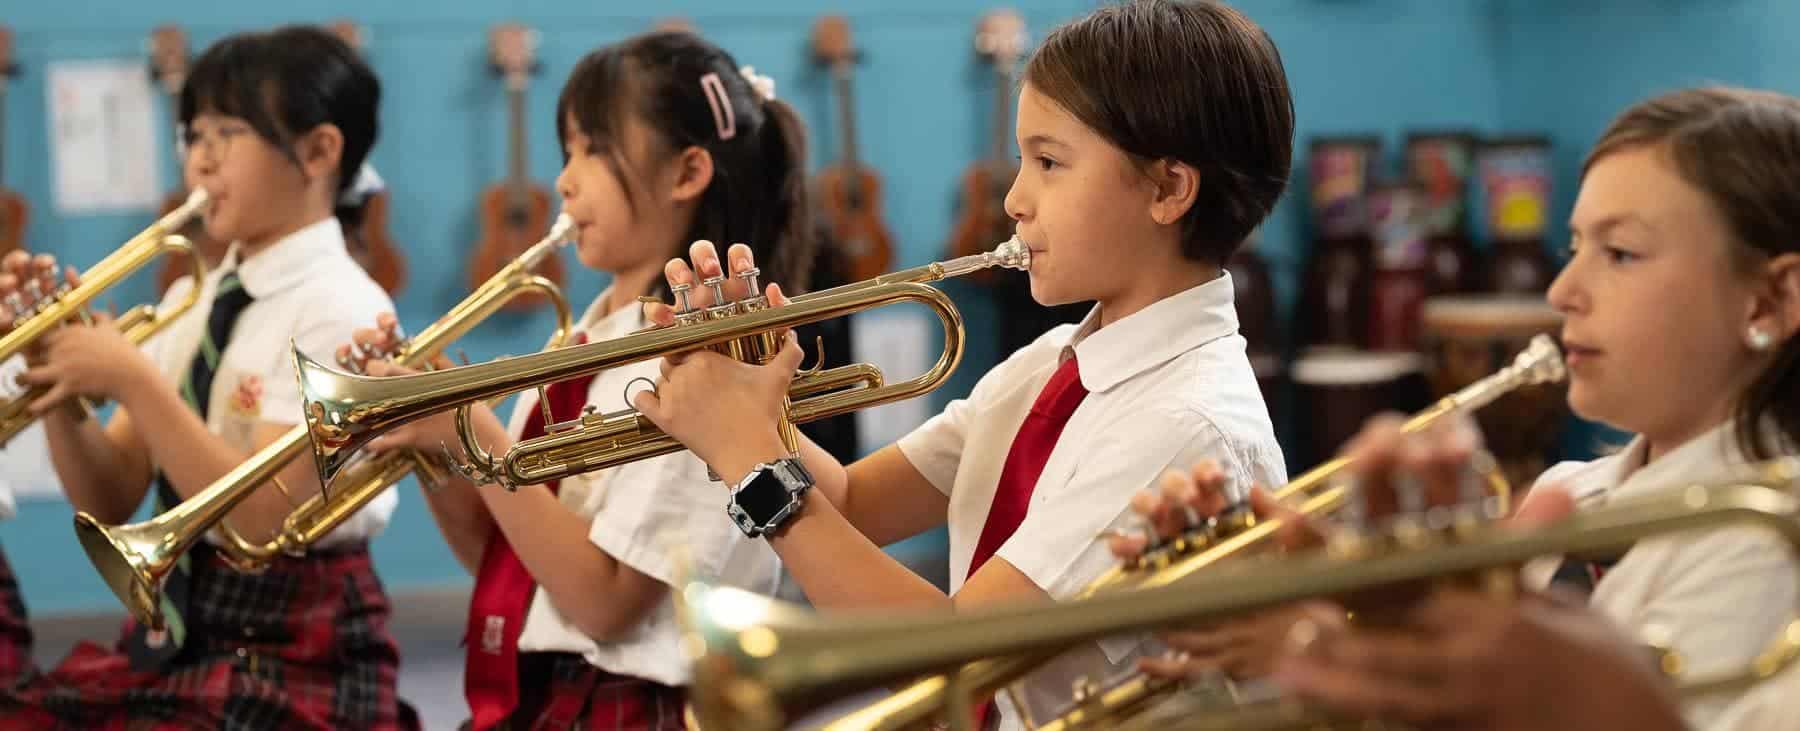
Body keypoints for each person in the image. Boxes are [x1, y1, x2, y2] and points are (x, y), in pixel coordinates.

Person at [633, 1, 1294, 725]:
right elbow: (852, 502)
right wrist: (744, 399)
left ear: (1167, 189)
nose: (1014, 199)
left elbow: (959, 655)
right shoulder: (1050, 362)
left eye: (1049, 162)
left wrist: (753, 461)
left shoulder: (1183, 426)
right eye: (1022, 160)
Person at [1120, 85, 1800, 729]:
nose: (1562, 290)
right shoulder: (1574, 492)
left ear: (1770, 301)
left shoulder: (1766, 543)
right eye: (1574, 248)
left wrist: (1310, 642)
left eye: (1620, 253)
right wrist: (1316, 622)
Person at [347, 31, 808, 730]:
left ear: (686, 173)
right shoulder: (586, 338)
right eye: (567, 151)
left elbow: (607, 604)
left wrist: (474, 431)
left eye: (593, 149)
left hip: (644, 705)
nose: (564, 180)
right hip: (545, 693)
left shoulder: (698, 366)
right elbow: (508, 562)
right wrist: (431, 442)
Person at [0, 25, 413, 729]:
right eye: (193, 134)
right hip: (180, 629)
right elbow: (108, 496)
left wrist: (133, 379)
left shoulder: (344, 308)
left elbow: (263, 519)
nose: (201, 158)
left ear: (319, 151)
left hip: (292, 644)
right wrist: (53, 376)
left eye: (230, 133)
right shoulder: (192, 299)